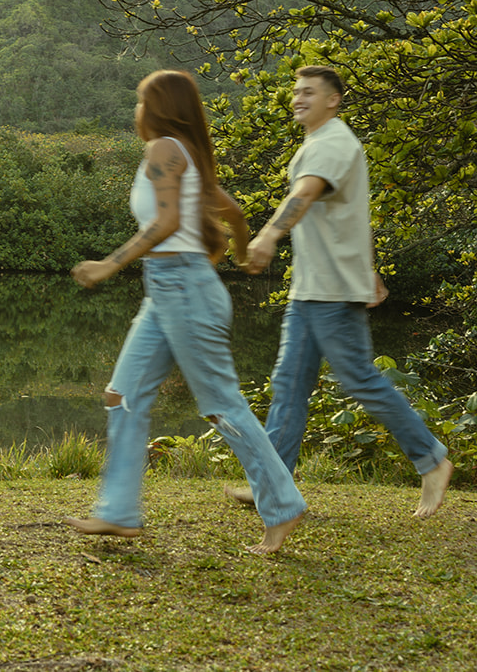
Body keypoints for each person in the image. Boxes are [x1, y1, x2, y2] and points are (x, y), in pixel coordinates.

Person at [64, 69, 307, 555]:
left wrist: (109, 265)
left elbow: (170, 220)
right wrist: (238, 257)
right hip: (169, 288)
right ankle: (118, 513)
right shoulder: (183, 156)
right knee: (123, 395)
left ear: (156, 108)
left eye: (139, 101)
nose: (135, 111)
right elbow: (234, 211)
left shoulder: (164, 150)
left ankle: (283, 506)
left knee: (221, 405)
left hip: (183, 285)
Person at [236, 65, 453, 519]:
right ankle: (274, 485)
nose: (298, 98)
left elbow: (307, 193)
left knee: (360, 380)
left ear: (333, 99)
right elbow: (347, 215)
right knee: (289, 386)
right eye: (295, 91)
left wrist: (269, 235)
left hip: (330, 292)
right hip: (312, 288)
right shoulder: (319, 142)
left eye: (309, 92)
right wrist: (368, 269)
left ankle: (432, 460)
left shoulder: (333, 141)